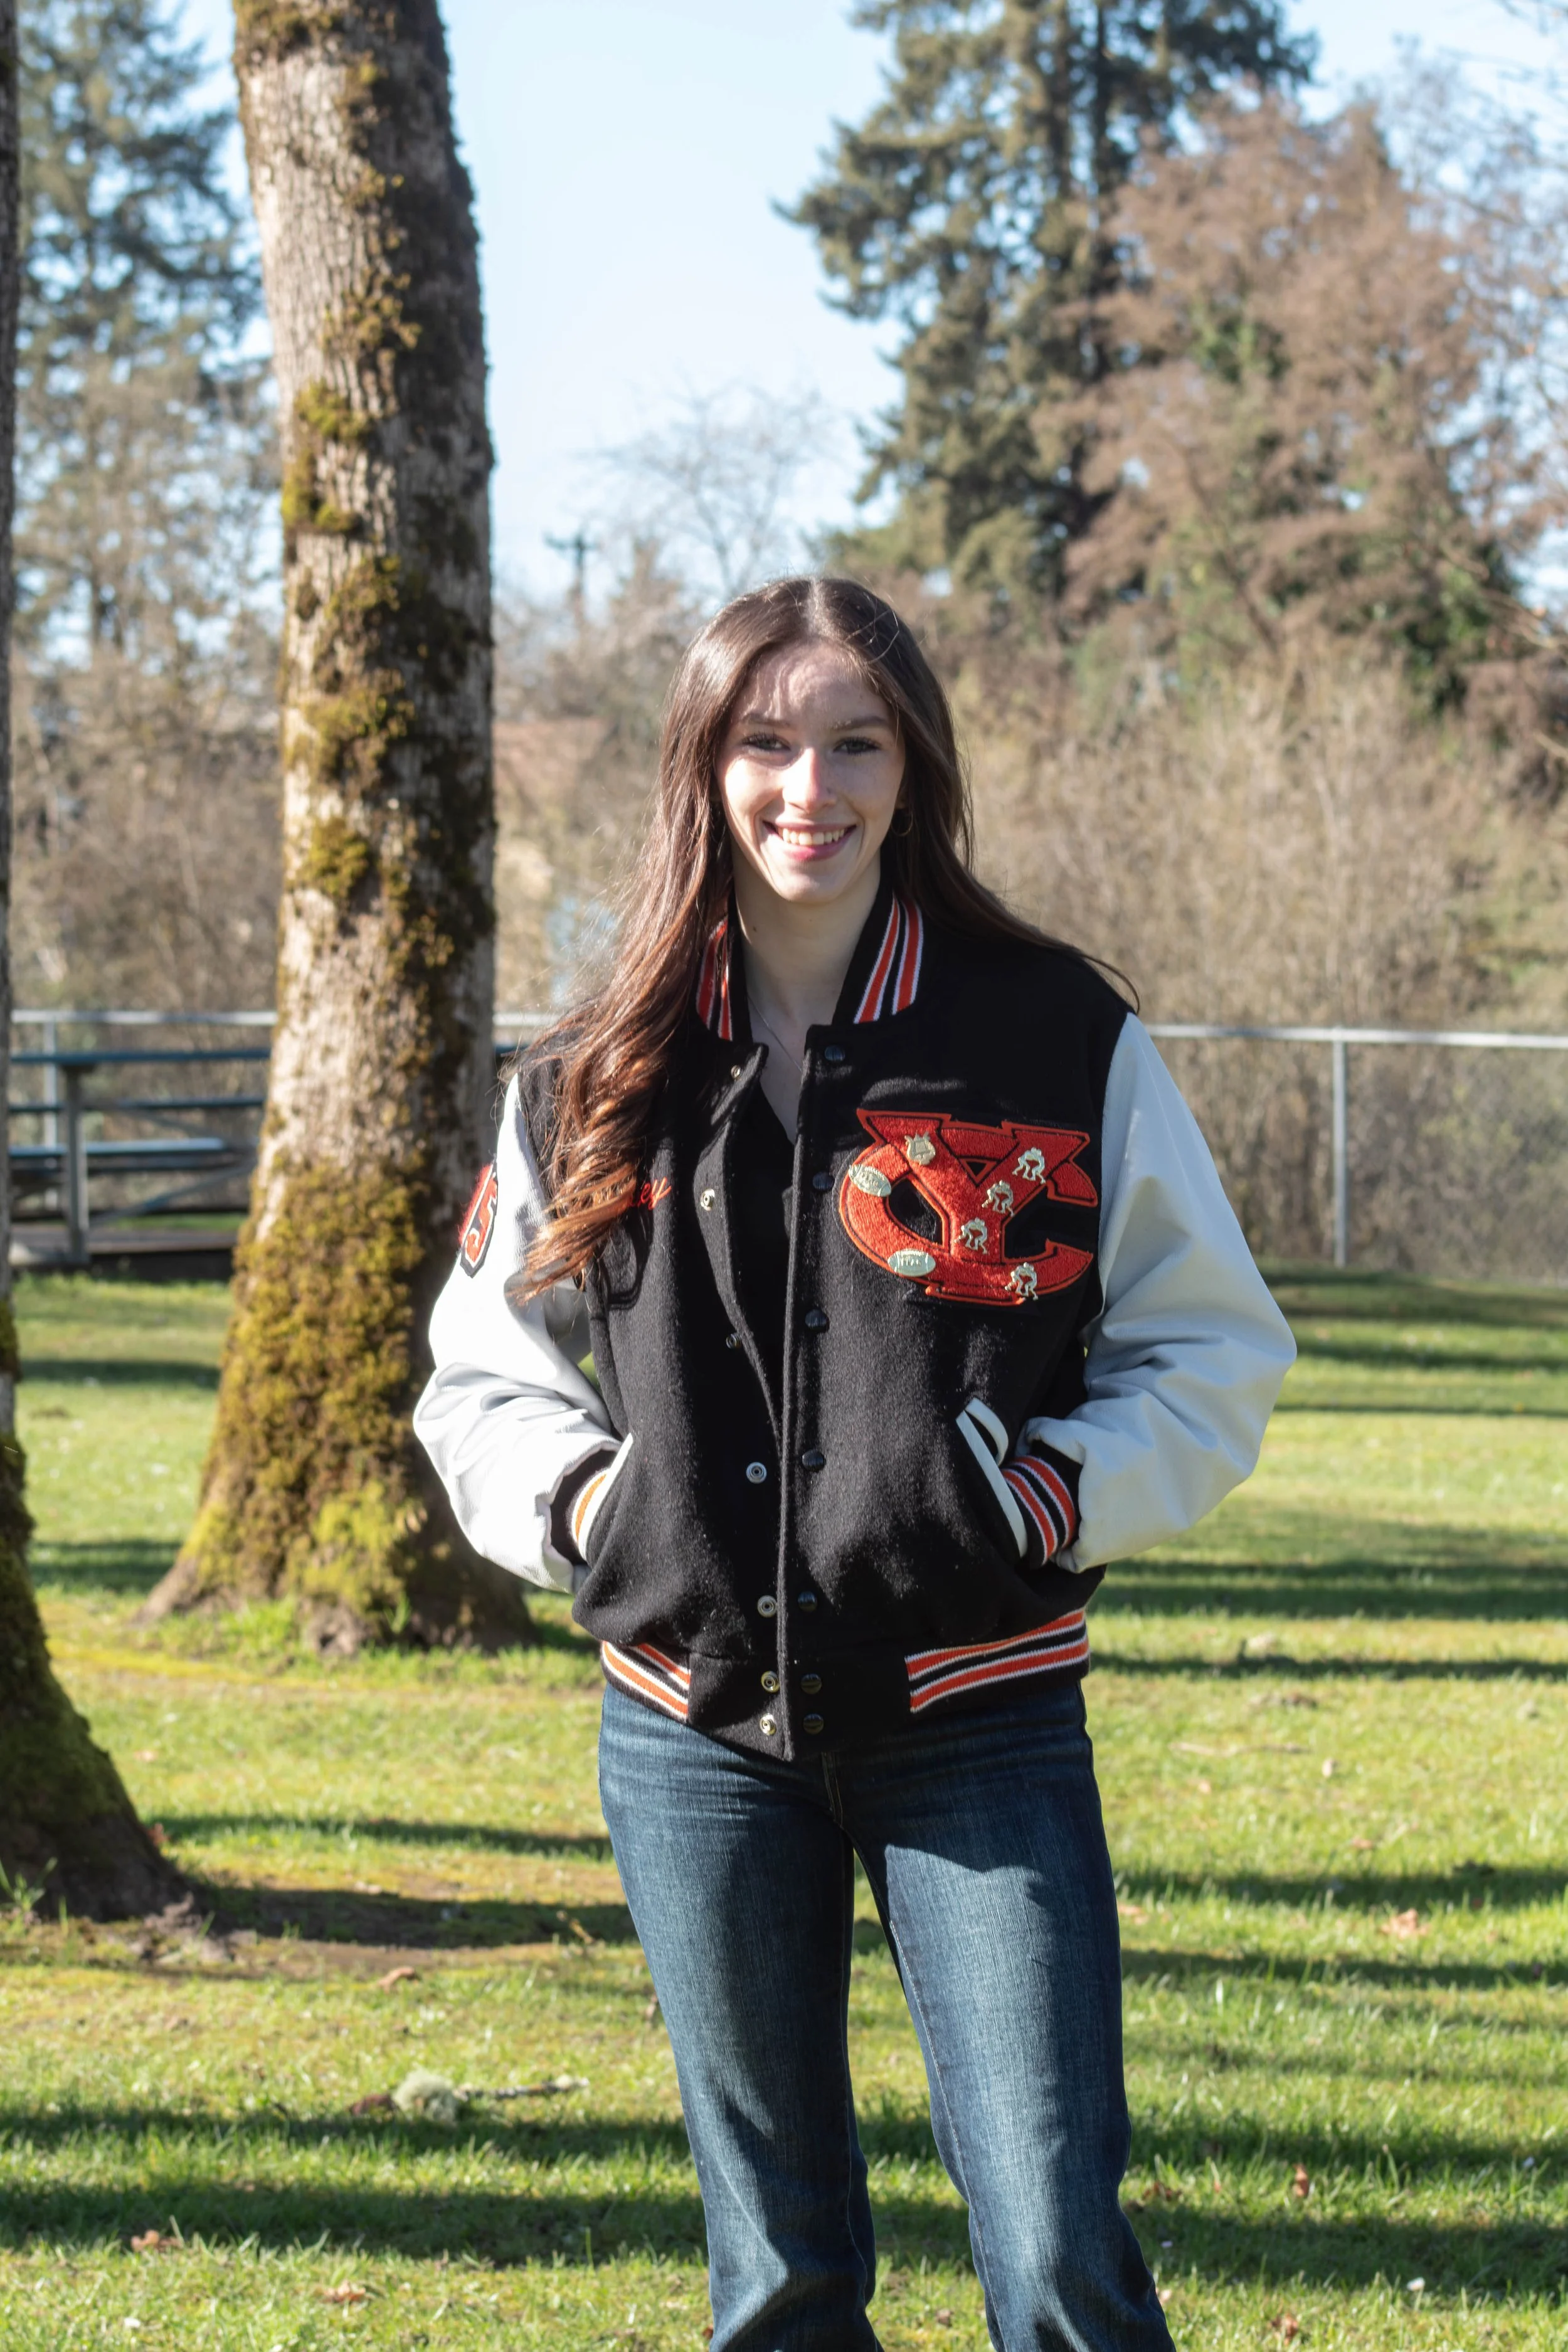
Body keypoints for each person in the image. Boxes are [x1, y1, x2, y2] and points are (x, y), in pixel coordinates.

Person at [415, 576, 1295, 2352]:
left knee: (1052, 2245)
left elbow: (1209, 1349)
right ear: (700, 765)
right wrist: (598, 1509)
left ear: (913, 768)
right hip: (689, 1732)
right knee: (782, 2274)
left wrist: (1033, 1500)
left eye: (851, 743)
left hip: (978, 1715)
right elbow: (479, 1376)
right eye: (762, 742)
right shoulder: (591, 1070)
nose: (805, 786)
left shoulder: (1052, 1035)